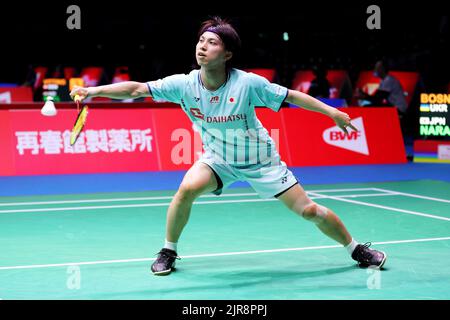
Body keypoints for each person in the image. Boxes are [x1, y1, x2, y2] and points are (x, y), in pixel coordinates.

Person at [70, 17, 387, 276]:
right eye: (201, 41)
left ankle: (356, 249)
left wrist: (331, 112)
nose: (202, 48)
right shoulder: (184, 84)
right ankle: (169, 250)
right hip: (218, 159)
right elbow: (138, 89)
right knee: (186, 189)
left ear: (227, 55)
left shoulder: (248, 84)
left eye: (212, 43)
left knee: (310, 211)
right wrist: (93, 91)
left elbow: (291, 96)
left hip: (261, 161)